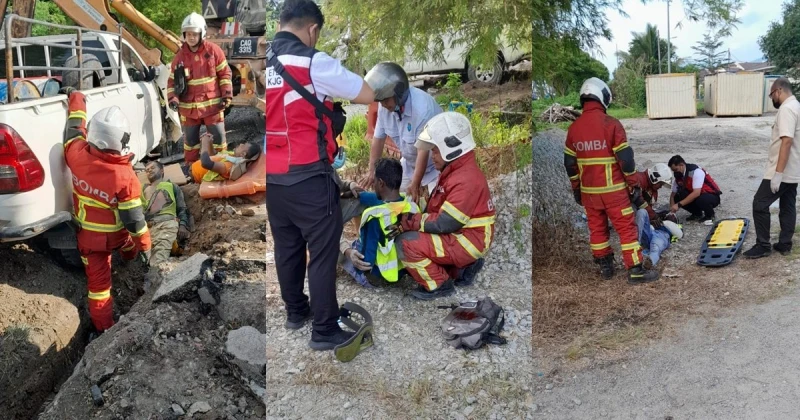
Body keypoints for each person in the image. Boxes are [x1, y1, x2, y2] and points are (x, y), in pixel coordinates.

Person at [265, 0, 375, 351]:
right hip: (309, 177)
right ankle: (325, 329)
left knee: (287, 248)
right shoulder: (314, 62)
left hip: (273, 180)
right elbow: (367, 93)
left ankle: (297, 312)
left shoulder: (263, 61)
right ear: (312, 29)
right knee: (323, 252)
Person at [61, 87, 151, 333]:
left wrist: (76, 97)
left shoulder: (76, 155)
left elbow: (73, 128)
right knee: (130, 247)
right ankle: (130, 261)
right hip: (118, 237)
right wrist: (144, 246)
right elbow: (134, 222)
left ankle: (105, 330)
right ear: (121, 140)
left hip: (88, 241)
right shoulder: (125, 177)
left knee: (99, 288)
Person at [387, 112, 495, 300]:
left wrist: (410, 221)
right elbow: (438, 210)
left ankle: (438, 285)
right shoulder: (457, 171)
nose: (432, 156)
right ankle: (461, 270)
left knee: (405, 244)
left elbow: (445, 222)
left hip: (466, 240)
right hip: (467, 237)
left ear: (451, 148)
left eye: (435, 150)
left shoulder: (465, 178)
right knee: (426, 245)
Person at [563, 77, 659, 284]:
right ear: (602, 96)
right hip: (614, 192)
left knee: (597, 229)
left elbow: (570, 164)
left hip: (590, 194)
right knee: (626, 229)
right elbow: (626, 160)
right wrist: (633, 184)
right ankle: (635, 270)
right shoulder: (612, 124)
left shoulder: (574, 129)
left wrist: (577, 190)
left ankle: (605, 267)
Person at [361, 62, 443, 204]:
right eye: (380, 101)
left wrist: (415, 184)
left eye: (386, 100)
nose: (384, 105)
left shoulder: (422, 110)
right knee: (395, 202)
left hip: (435, 168)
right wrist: (372, 171)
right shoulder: (384, 108)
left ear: (399, 93)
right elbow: (378, 140)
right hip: (410, 164)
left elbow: (423, 152)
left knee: (432, 208)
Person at [341, 158, 419, 288]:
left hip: (379, 274)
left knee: (346, 251)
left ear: (381, 183)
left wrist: (364, 272)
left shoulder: (375, 217)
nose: (373, 185)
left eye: (374, 181)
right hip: (400, 271)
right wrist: (354, 193)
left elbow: (367, 259)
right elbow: (376, 198)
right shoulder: (410, 206)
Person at [167, 12, 233, 168]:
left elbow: (225, 74)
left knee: (218, 141)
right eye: (188, 34)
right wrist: (173, 99)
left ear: (201, 33)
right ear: (184, 35)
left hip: (213, 107)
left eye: (194, 34)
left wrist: (227, 95)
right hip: (189, 110)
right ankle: (192, 169)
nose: (191, 37)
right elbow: (172, 82)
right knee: (190, 143)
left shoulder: (214, 51)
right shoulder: (180, 57)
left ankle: (222, 166)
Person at [745, 77, 800, 258]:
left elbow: (787, 141)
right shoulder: (796, 106)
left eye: (771, 95)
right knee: (788, 205)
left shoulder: (786, 109)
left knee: (759, 204)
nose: (772, 99)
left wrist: (777, 174)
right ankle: (784, 243)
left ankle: (763, 245)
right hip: (792, 168)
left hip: (782, 170)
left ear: (778, 91)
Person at [142, 161, 191, 270]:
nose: (149, 170)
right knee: (142, 263)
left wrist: (182, 225)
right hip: (145, 229)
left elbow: (181, 208)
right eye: (147, 169)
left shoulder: (171, 186)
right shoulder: (142, 190)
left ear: (162, 170)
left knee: (157, 262)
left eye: (152, 167)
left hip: (165, 226)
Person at [667, 155, 722, 224]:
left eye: (676, 170)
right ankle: (697, 214)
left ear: (681, 165)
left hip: (711, 195)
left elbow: (696, 193)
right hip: (697, 195)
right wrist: (672, 209)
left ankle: (710, 215)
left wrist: (678, 205)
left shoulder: (696, 171)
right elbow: (673, 195)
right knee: (678, 196)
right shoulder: (679, 176)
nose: (675, 172)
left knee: (702, 200)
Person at [190, 132, 262, 184]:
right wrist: (209, 143)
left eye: (243, 145)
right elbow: (214, 156)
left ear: (243, 154)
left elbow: (206, 163)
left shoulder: (229, 166)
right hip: (192, 169)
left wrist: (204, 143)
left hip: (193, 176)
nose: (241, 144)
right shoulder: (232, 156)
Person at [630, 163, 674, 228]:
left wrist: (656, 215)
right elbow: (638, 200)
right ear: (655, 178)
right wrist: (653, 216)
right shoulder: (640, 180)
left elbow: (648, 205)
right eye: (661, 184)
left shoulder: (651, 187)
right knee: (635, 210)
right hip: (623, 206)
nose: (661, 187)